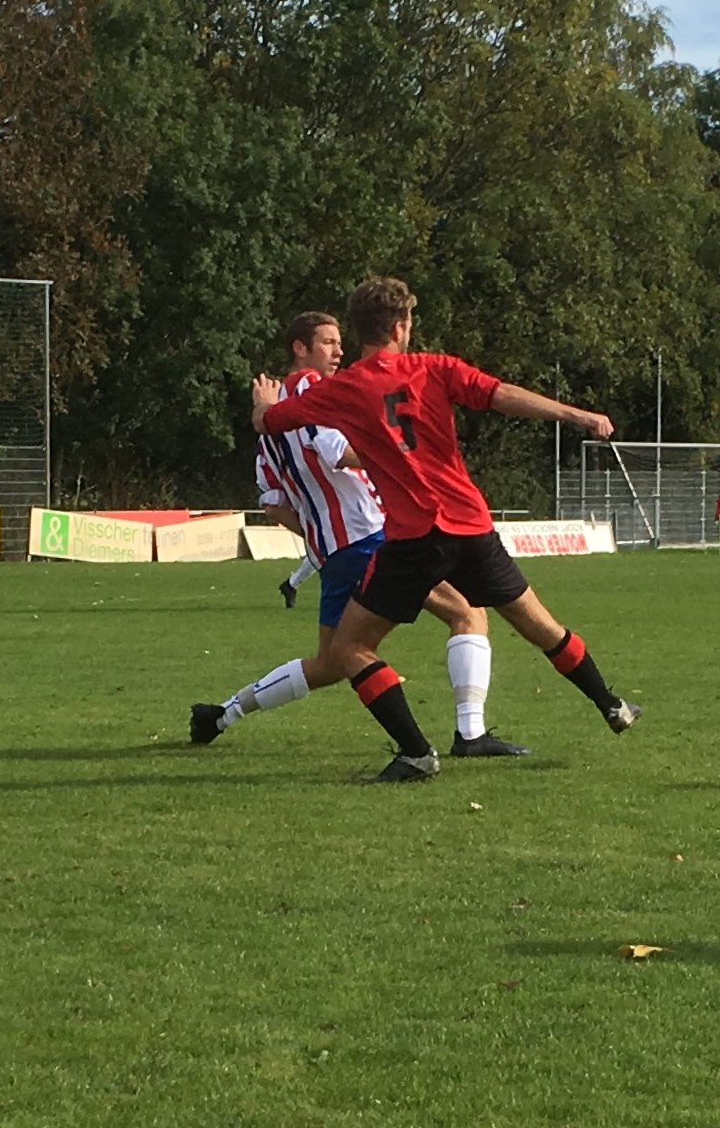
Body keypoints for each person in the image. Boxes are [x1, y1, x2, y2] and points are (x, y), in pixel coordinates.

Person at [246, 276, 636, 782]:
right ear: (402, 327)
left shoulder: (343, 389)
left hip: (413, 539)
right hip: (472, 526)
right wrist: (576, 414)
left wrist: (262, 402)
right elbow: (503, 395)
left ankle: (415, 752)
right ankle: (610, 704)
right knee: (540, 626)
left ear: (361, 331)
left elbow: (271, 422)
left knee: (348, 650)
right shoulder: (436, 368)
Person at [195, 311, 526, 757]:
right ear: (300, 348)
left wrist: (319, 537)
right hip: (371, 535)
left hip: (334, 550)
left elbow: (274, 502)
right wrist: (407, 459)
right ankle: (469, 735)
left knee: (331, 661)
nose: (340, 351)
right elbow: (342, 452)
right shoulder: (316, 391)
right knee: (468, 615)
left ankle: (222, 714)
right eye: (329, 343)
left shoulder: (270, 425)